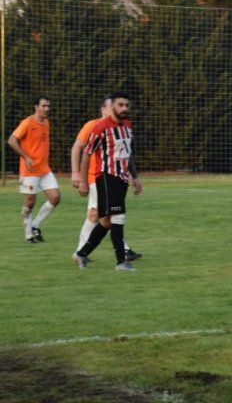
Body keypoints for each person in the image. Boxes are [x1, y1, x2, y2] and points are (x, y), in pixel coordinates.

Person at [73, 91, 143, 270]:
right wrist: (82, 181)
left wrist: (135, 176)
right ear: (112, 107)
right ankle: (121, 262)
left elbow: (128, 154)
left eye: (126, 105)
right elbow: (87, 154)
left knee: (105, 222)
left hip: (121, 179)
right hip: (106, 177)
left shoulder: (127, 126)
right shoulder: (101, 128)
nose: (124, 108)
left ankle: (81, 254)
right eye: (120, 105)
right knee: (118, 217)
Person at [8, 96, 60, 243]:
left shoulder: (46, 122)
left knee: (55, 197)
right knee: (30, 202)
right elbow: (12, 140)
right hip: (29, 170)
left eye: (48, 106)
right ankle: (28, 236)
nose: (47, 109)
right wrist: (26, 157)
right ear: (36, 107)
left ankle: (35, 225)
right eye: (44, 106)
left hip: (44, 169)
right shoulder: (27, 123)